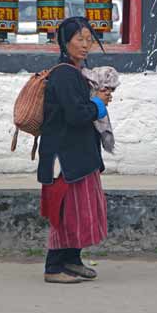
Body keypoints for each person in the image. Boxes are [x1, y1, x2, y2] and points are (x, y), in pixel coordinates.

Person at [37, 16, 112, 284]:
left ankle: (72, 260)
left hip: (77, 154)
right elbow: (76, 115)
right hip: (64, 157)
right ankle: (54, 267)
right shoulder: (65, 75)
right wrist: (99, 104)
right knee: (66, 211)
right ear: (64, 42)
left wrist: (96, 102)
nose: (85, 45)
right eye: (79, 39)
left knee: (81, 210)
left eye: (89, 40)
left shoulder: (76, 74)